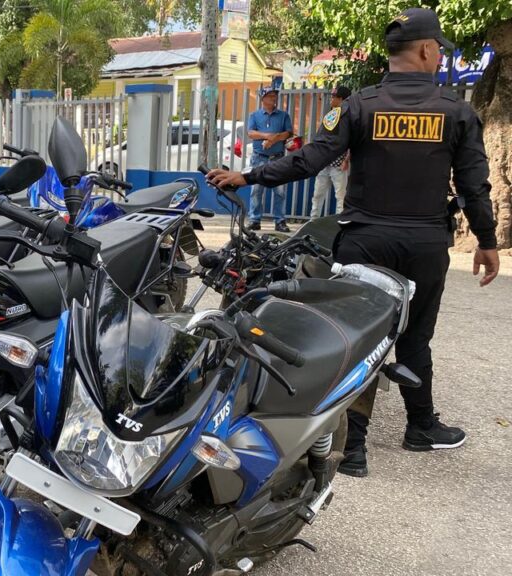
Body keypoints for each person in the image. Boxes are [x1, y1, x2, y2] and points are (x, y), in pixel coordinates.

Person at [207, 7, 500, 478]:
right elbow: (473, 185)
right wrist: (487, 240)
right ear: (427, 51)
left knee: (362, 337)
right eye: (438, 50)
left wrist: (247, 175)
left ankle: (354, 448)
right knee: (415, 339)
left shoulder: (358, 106)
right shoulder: (456, 112)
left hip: (363, 241)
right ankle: (421, 427)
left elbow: (308, 160)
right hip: (423, 243)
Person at [246, 87, 294, 232]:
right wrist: (268, 136)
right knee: (256, 190)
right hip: (258, 158)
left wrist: (274, 139)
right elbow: (251, 133)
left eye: (275, 96)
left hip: (277, 158)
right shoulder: (254, 115)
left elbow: (288, 133)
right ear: (263, 98)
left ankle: (280, 221)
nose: (274, 98)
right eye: (271, 96)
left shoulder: (283, 115)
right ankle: (254, 220)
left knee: (280, 191)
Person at [310, 86, 352, 217]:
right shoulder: (330, 115)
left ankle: (338, 226)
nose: (331, 99)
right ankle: (313, 222)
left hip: (339, 163)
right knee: (317, 195)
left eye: (334, 96)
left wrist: (346, 160)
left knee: (340, 196)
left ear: (342, 99)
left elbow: (351, 139)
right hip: (324, 162)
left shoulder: (347, 117)